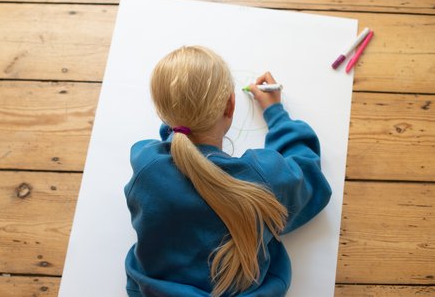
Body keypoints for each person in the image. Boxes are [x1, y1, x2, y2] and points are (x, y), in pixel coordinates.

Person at [124, 46, 332, 297]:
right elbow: (308, 173)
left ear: (164, 115)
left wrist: (181, 118)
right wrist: (276, 113)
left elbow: (171, 144)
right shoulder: (264, 179)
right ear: (230, 105)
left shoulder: (146, 164)